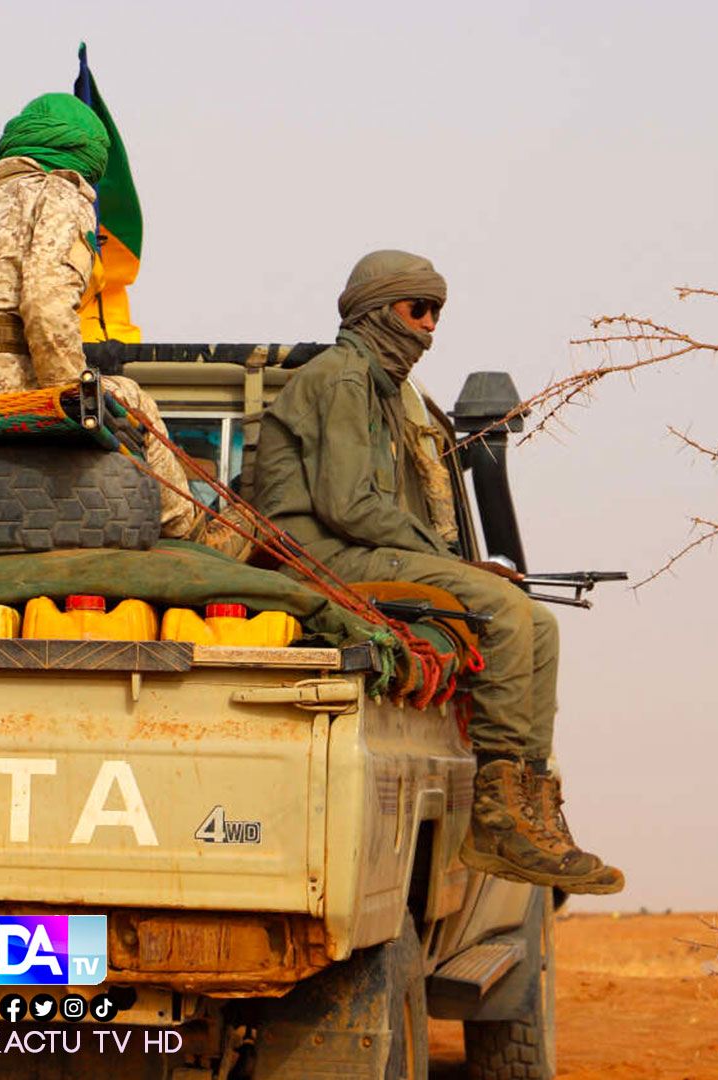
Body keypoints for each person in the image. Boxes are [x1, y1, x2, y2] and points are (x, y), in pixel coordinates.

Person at [253, 249, 623, 894]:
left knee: (537, 625)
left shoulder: (384, 388)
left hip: (349, 545)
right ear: (377, 310)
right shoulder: (343, 379)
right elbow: (348, 505)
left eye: (436, 313)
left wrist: (452, 564)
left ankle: (524, 803)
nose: (430, 326)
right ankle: (498, 819)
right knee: (501, 608)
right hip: (317, 554)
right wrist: (450, 563)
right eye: (417, 309)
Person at [0, 93, 200, 538]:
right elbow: (46, 309)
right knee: (133, 400)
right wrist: (71, 405)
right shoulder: (58, 194)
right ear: (88, 159)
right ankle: (188, 533)